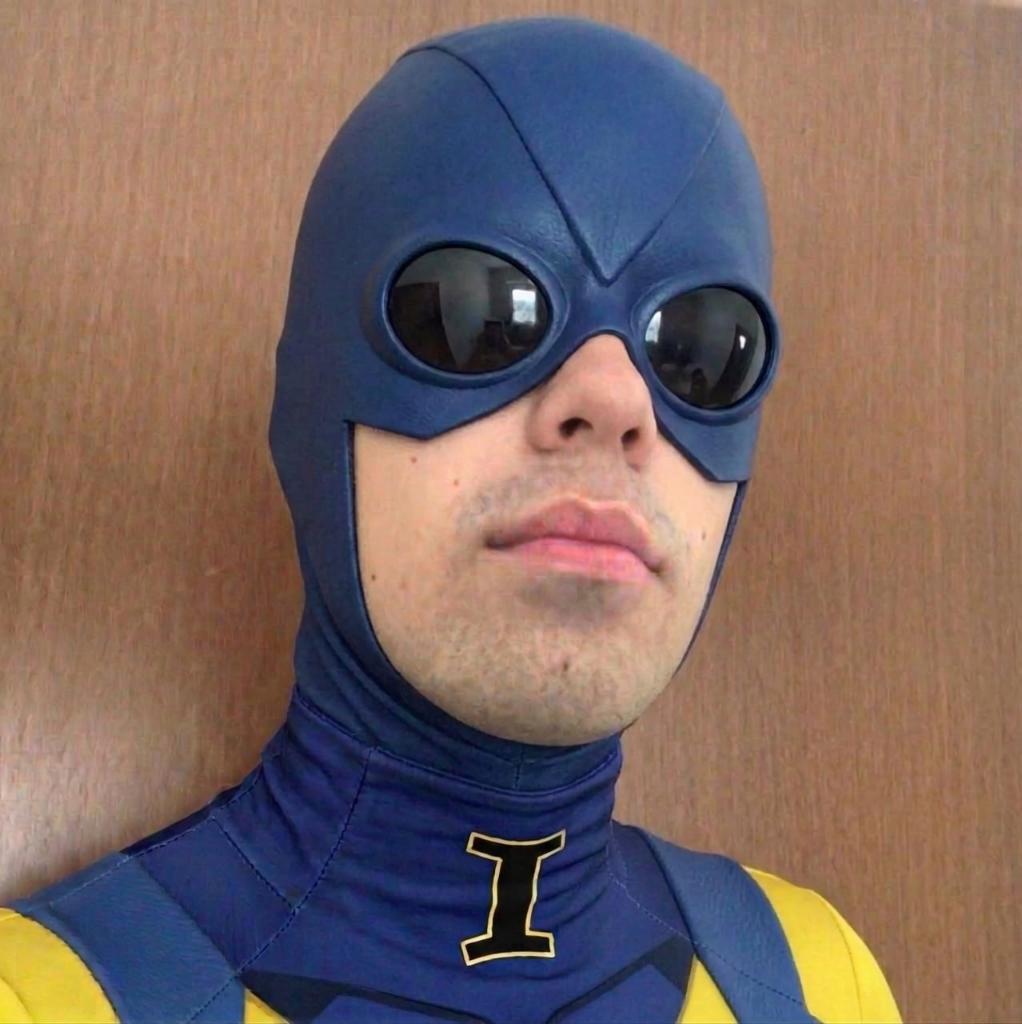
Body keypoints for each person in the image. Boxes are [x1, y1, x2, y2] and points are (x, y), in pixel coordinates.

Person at [0, 15, 903, 1023]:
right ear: (314, 413)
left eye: (700, 347)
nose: (615, 400)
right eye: (479, 308)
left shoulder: (816, 981)